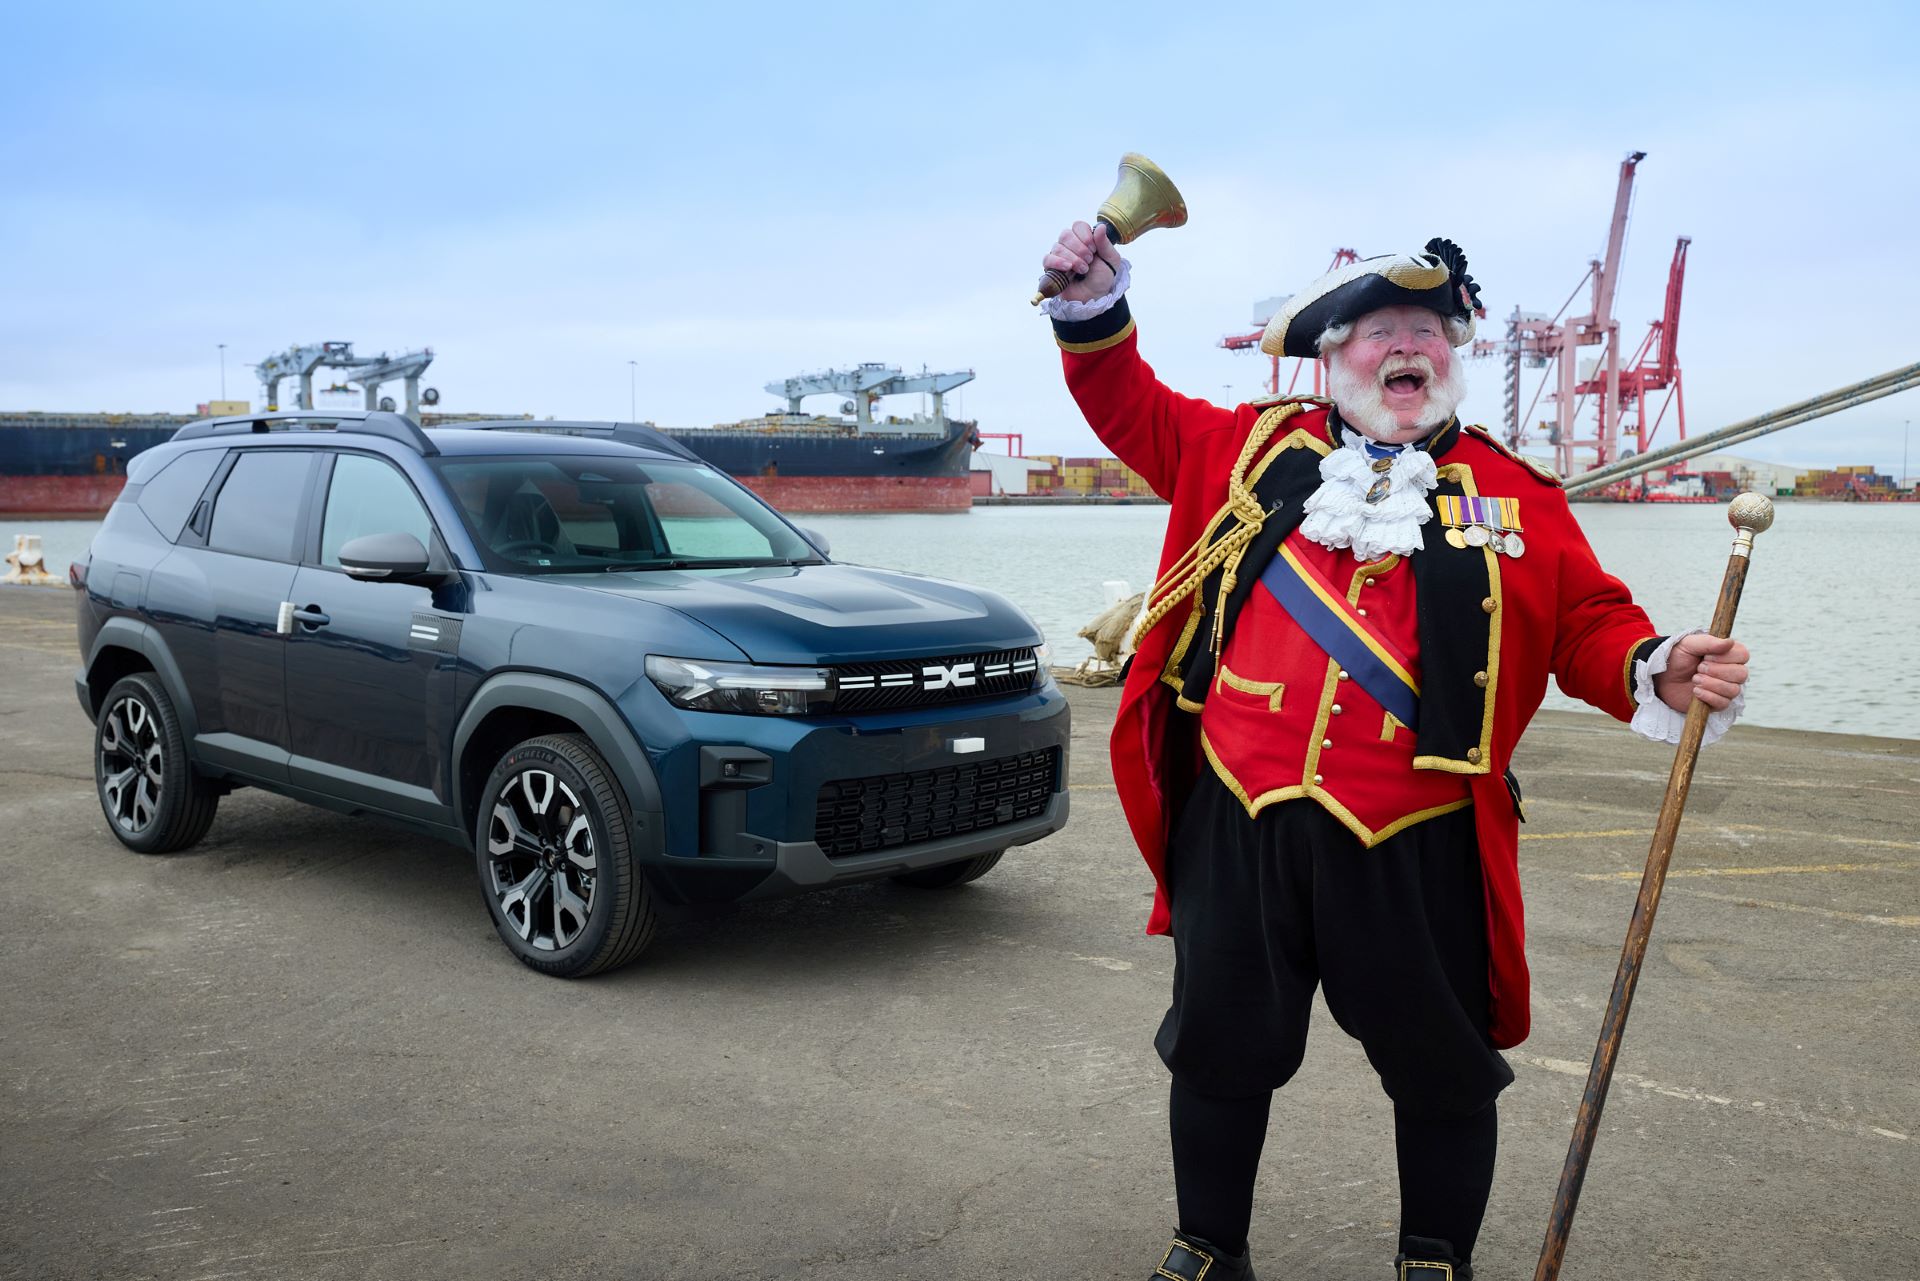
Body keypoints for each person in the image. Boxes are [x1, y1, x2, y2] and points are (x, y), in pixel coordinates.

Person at [1037, 223, 1751, 1281]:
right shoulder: (1245, 450)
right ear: (1332, 359)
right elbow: (1124, 401)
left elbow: (1588, 622)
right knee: (1220, 1049)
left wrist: (1657, 664)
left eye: (1429, 329)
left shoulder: (1522, 495)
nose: (1408, 347)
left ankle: (1432, 1261)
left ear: (1452, 354)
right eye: (1381, 332)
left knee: (1441, 1070)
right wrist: (1092, 302)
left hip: (1418, 834)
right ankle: (1207, 1247)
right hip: (1242, 815)